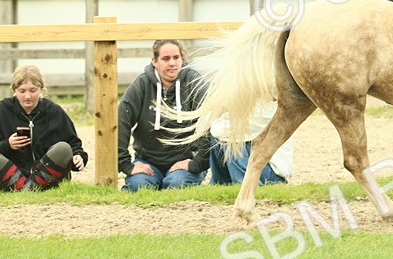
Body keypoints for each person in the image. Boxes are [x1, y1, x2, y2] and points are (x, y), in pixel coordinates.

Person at [0, 65, 87, 192]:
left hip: (47, 180)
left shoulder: (54, 111)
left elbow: (74, 144)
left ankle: (28, 190)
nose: (27, 96)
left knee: (63, 148)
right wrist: (7, 145)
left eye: (33, 90)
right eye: (22, 91)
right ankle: (29, 190)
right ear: (14, 90)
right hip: (12, 182)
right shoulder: (1, 110)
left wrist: (78, 156)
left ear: (41, 89)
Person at [118, 39, 211, 191]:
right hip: (149, 163)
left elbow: (211, 120)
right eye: (166, 59)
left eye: (176, 57)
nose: (172, 63)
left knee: (176, 185)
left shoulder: (195, 82)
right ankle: (152, 181)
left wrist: (196, 163)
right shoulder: (142, 84)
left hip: (185, 162)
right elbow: (121, 120)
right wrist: (126, 164)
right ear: (154, 61)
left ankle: (171, 180)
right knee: (138, 187)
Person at [208, 101, 292, 185]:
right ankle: (221, 184)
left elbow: (220, 130)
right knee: (220, 139)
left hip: (273, 176)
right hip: (260, 168)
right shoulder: (247, 106)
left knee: (232, 140)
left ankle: (244, 186)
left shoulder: (268, 108)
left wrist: (219, 112)